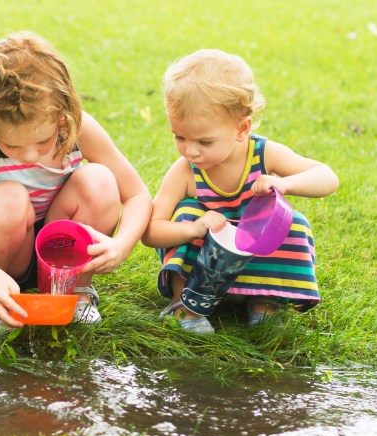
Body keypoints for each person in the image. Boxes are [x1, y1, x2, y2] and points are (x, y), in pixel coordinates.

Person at [0, 32, 151, 330]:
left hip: (57, 250)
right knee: (10, 199)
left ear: (62, 115)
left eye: (43, 141)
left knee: (99, 180)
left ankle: (75, 291)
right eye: (13, 147)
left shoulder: (77, 127)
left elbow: (136, 195)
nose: (30, 155)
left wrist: (121, 245)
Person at [142, 49, 339, 334]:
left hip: (254, 263)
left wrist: (284, 184)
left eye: (204, 141)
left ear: (242, 129)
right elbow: (151, 231)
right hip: (204, 275)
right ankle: (183, 306)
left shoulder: (263, 154)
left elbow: (327, 177)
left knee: (294, 223)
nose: (190, 150)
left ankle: (264, 301)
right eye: (179, 136)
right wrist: (195, 228)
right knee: (184, 213)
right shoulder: (186, 170)